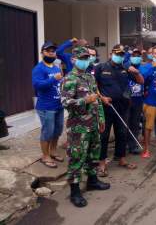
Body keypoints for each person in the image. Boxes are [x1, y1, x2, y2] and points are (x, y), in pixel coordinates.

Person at [61, 46, 110, 208]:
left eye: (87, 57)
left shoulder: (90, 77)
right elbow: (65, 103)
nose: (85, 60)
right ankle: (75, 191)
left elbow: (97, 98)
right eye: (82, 58)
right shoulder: (69, 79)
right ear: (73, 60)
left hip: (93, 124)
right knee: (77, 158)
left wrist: (101, 118)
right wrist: (84, 101)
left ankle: (92, 180)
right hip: (78, 127)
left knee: (93, 154)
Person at [95, 44, 137, 176]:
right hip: (106, 107)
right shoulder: (100, 68)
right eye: (117, 54)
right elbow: (93, 85)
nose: (119, 56)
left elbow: (138, 81)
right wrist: (101, 98)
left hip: (122, 106)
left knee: (122, 133)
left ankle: (121, 159)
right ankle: (102, 163)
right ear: (111, 54)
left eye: (121, 55)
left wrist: (135, 71)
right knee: (104, 135)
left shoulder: (125, 69)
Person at [32, 41, 64, 169]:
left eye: (53, 51)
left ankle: (53, 151)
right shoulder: (38, 69)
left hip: (58, 105)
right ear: (42, 53)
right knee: (47, 132)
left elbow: (59, 84)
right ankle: (45, 156)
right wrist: (53, 79)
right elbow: (37, 85)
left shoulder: (56, 67)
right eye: (48, 51)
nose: (51, 53)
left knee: (57, 130)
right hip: (46, 107)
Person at [142, 45, 156, 158]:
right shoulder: (146, 66)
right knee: (148, 127)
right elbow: (142, 80)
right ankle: (146, 149)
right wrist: (152, 68)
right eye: (155, 53)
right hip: (151, 102)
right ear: (151, 55)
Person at [127, 48, 146, 154]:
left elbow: (145, 81)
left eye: (138, 56)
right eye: (134, 55)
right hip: (126, 101)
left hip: (138, 101)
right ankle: (125, 144)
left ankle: (133, 145)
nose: (136, 57)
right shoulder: (125, 67)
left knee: (135, 124)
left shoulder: (142, 68)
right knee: (125, 123)